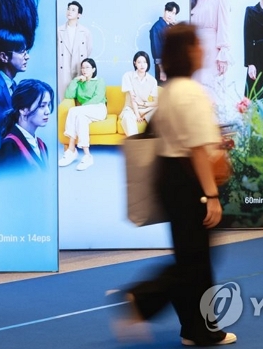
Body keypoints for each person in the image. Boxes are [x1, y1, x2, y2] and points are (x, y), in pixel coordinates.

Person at [116, 23, 236, 346]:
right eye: (197, 45)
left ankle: (195, 329)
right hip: (189, 182)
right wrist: (211, 195)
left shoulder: (169, 91)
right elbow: (198, 150)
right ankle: (142, 298)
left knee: (192, 256)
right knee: (195, 261)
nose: (202, 51)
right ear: (187, 53)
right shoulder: (192, 93)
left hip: (169, 178)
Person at [190, 0, 231, 100]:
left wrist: (223, 56)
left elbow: (224, 27)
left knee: (211, 93)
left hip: (212, 50)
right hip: (194, 49)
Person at [0, 79, 54, 174]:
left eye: (48, 105)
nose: (47, 111)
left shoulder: (42, 146)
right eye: (42, 106)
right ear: (23, 109)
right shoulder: (9, 147)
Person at [58, 58, 107, 171]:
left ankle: (71, 150)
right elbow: (69, 95)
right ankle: (87, 155)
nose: (84, 70)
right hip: (85, 112)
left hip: (99, 109)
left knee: (74, 111)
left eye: (87, 67)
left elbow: (97, 98)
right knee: (80, 118)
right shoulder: (79, 83)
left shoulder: (99, 81)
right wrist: (75, 80)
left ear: (93, 69)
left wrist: (81, 108)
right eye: (83, 67)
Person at [0, 28, 29, 133]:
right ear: (4, 57)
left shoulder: (14, 85)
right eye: (21, 52)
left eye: (26, 51)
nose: (27, 57)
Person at [57, 0, 92, 98]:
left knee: (80, 94)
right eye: (68, 9)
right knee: (64, 96)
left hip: (79, 64)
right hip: (63, 65)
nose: (69, 12)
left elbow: (88, 49)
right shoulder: (59, 30)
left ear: (79, 14)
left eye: (73, 10)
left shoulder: (85, 32)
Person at [119, 51, 158, 136]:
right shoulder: (128, 76)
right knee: (127, 117)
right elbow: (133, 98)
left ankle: (154, 142)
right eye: (139, 62)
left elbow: (156, 102)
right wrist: (137, 115)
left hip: (145, 109)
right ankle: (136, 145)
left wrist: (144, 104)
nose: (142, 65)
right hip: (131, 109)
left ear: (147, 63)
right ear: (135, 63)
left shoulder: (152, 80)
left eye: (144, 62)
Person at [149, 1, 179, 81]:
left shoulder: (171, 26)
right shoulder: (156, 28)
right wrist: (162, 71)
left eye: (173, 13)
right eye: (169, 11)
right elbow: (156, 51)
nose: (170, 15)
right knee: (162, 90)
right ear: (164, 11)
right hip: (163, 67)